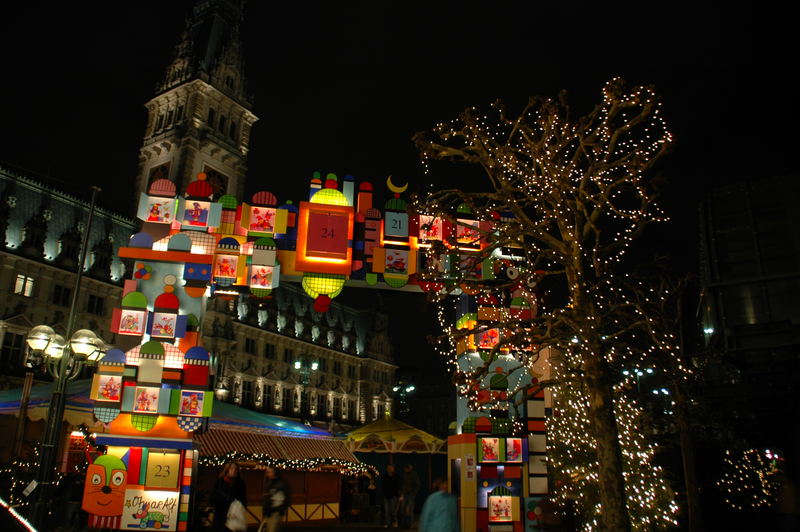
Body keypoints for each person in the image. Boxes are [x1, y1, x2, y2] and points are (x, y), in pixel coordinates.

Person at [210, 461, 247, 532]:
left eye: (236, 469)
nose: (234, 470)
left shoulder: (240, 483)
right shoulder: (220, 482)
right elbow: (213, 498)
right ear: (227, 469)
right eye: (232, 468)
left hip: (233, 517)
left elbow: (244, 499)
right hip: (220, 516)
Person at [261, 466, 290, 532]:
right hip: (269, 511)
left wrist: (280, 509)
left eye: (270, 472)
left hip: (276, 512)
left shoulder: (281, 484)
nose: (268, 474)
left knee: (272, 529)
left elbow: (283, 499)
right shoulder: (270, 483)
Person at [400, 464, 420, 528]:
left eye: (406, 469)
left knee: (409, 510)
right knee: (403, 509)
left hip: (410, 494)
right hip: (404, 494)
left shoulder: (414, 475)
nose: (405, 470)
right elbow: (402, 483)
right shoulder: (404, 474)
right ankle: (403, 524)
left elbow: (417, 485)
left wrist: (413, 493)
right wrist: (402, 492)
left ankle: (409, 524)